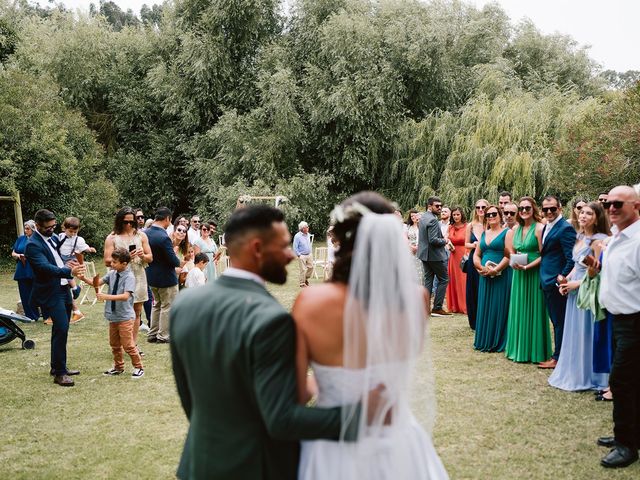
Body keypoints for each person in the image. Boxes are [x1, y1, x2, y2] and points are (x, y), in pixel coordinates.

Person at [169, 204, 387, 480]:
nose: (290, 255)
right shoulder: (272, 321)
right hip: (254, 467)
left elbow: (190, 400)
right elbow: (282, 420)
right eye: (284, 247)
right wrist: (361, 417)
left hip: (198, 464)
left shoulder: (185, 304)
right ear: (257, 249)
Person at [293, 192, 448, 480]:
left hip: (334, 446)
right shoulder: (416, 299)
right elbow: (405, 358)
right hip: (398, 439)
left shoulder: (311, 303)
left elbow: (295, 393)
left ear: (341, 238)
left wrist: (328, 383)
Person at [597, 186, 640, 469]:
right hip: (617, 318)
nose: (611, 208)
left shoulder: (637, 241)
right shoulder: (616, 237)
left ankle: (627, 445)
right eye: (608, 203)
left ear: (635, 206)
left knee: (622, 381)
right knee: (628, 382)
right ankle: (627, 434)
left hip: (635, 321)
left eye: (618, 204)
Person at [548, 202, 610, 391]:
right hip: (574, 288)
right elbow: (577, 263)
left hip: (589, 289)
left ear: (597, 218)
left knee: (587, 331)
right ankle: (574, 370)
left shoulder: (599, 240)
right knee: (574, 330)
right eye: (581, 212)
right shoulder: (580, 236)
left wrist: (577, 283)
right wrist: (565, 279)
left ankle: (591, 375)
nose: (583, 216)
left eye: (589, 213)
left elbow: (598, 271)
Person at [25, 209, 85, 386]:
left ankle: (58, 366)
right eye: (47, 227)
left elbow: (56, 260)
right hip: (50, 291)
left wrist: (67, 265)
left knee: (61, 329)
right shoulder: (33, 244)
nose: (52, 230)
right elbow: (44, 268)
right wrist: (68, 271)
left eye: (53, 226)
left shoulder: (51, 239)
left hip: (63, 288)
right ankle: (59, 373)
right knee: (61, 327)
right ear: (37, 226)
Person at [80, 248, 144, 378]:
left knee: (128, 345)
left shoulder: (129, 277)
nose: (112, 264)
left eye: (115, 262)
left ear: (124, 264)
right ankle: (118, 367)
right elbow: (96, 283)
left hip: (125, 317)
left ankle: (139, 367)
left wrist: (106, 296)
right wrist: (83, 278)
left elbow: (126, 296)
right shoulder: (112, 274)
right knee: (114, 344)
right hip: (113, 316)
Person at [504, 197, 551, 363]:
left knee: (535, 308)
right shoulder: (516, 229)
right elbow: (513, 251)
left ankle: (535, 351)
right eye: (521, 208)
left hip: (534, 272)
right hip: (519, 273)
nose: (524, 211)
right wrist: (514, 261)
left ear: (534, 210)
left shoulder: (540, 228)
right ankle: (518, 348)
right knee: (519, 308)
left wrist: (528, 266)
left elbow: (544, 254)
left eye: (527, 208)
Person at [104, 207, 153, 346]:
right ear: (119, 221)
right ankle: (121, 343)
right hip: (121, 278)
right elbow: (107, 260)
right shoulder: (112, 237)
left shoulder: (141, 236)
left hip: (138, 275)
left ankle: (133, 344)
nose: (129, 225)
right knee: (122, 312)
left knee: (137, 311)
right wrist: (125, 256)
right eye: (126, 222)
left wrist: (143, 255)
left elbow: (150, 257)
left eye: (132, 222)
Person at [538, 196, 577, 369]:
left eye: (552, 209)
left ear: (560, 208)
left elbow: (571, 258)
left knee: (559, 321)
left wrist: (561, 278)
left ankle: (558, 358)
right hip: (546, 280)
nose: (549, 212)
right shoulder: (547, 225)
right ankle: (560, 355)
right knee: (556, 320)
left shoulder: (565, 228)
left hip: (556, 283)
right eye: (545, 209)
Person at [473, 205, 512, 352]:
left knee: (499, 305)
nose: (490, 217)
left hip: (501, 274)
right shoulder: (484, 233)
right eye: (488, 215)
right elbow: (477, 254)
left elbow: (509, 256)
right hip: (484, 274)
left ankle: (499, 340)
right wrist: (479, 266)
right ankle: (485, 339)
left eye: (493, 214)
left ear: (500, 215)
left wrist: (496, 270)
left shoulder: (507, 233)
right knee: (485, 305)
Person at [146, 207, 182, 344]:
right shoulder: (163, 236)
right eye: (170, 221)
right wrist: (179, 262)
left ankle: (152, 333)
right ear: (167, 218)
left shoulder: (146, 233)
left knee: (156, 305)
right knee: (167, 306)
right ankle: (163, 335)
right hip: (166, 277)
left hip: (151, 276)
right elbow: (172, 259)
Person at [57, 216, 97, 323]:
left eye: (75, 231)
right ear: (64, 228)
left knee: (65, 274)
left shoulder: (78, 239)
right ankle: (74, 290)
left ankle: (75, 288)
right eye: (71, 231)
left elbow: (84, 247)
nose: (73, 234)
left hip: (73, 260)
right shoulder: (60, 237)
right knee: (64, 277)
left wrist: (90, 249)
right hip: (61, 260)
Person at [418, 197, 452, 316]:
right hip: (434, 255)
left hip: (424, 254)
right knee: (444, 279)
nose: (439, 208)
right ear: (429, 206)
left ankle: (425, 308)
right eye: (437, 206)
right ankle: (437, 308)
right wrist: (445, 240)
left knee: (428, 281)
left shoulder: (423, 217)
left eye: (440, 206)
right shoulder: (432, 220)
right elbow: (433, 240)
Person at [464, 199, 488, 330]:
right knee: (474, 288)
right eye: (478, 207)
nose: (480, 209)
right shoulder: (470, 226)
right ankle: (474, 320)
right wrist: (474, 245)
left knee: (486, 287)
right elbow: (466, 244)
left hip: (488, 257)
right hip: (474, 258)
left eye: (483, 207)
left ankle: (486, 317)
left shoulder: (491, 224)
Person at [11, 220, 39, 321]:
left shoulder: (37, 239)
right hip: (21, 269)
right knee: (24, 294)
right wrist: (18, 255)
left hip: (34, 269)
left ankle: (40, 314)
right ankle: (29, 316)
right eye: (25, 228)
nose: (25, 230)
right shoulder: (20, 239)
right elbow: (13, 253)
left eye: (28, 229)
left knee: (35, 293)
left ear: (33, 229)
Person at [445, 207, 467, 314]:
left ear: (461, 214)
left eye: (458, 214)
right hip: (453, 256)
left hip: (463, 255)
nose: (456, 216)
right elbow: (446, 239)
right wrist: (448, 244)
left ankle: (465, 305)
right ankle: (455, 305)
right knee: (454, 279)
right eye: (454, 215)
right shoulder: (450, 227)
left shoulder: (467, 227)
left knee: (463, 279)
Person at [293, 221, 314, 288]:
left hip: (309, 254)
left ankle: (305, 279)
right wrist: (299, 255)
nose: (308, 228)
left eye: (307, 226)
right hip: (302, 255)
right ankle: (302, 283)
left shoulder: (308, 234)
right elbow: (295, 247)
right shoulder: (297, 236)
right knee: (303, 269)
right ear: (302, 228)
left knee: (311, 267)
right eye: (307, 227)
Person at [405, 209, 424, 282]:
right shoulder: (408, 226)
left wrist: (417, 247)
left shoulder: (421, 226)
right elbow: (406, 238)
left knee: (420, 268)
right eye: (411, 216)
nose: (413, 217)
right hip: (410, 250)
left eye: (415, 215)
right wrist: (411, 247)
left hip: (420, 249)